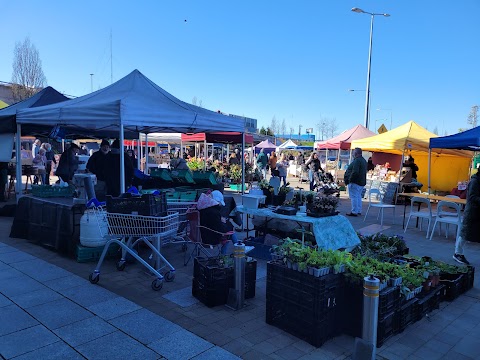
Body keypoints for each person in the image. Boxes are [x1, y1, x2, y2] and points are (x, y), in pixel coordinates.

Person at [197, 190, 238, 254]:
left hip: (203, 233)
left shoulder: (203, 208)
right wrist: (228, 224)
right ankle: (234, 251)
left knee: (230, 230)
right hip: (210, 237)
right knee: (230, 233)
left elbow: (213, 223)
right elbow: (220, 229)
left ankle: (237, 247)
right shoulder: (214, 212)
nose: (220, 205)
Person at [453, 173, 479, 265]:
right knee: (465, 232)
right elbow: (472, 197)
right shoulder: (475, 181)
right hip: (472, 211)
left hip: (477, 212)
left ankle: (458, 252)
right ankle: (457, 253)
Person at [344, 147, 367, 216]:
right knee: (358, 196)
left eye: (354, 152)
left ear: (356, 153)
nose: (353, 153)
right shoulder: (363, 161)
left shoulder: (357, 161)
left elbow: (355, 172)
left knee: (354, 197)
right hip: (361, 182)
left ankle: (354, 211)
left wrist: (350, 180)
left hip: (355, 182)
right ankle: (358, 210)